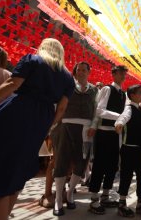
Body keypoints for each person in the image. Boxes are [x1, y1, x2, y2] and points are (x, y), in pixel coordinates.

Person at [0, 38, 75, 220]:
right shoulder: (68, 78)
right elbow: (61, 108)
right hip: (41, 120)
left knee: (0, 168)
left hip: (17, 111)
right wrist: (47, 127)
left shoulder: (32, 60)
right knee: (16, 170)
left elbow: (12, 84)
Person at [52, 62, 98, 216]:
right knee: (61, 162)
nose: (81, 72)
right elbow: (58, 105)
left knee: (81, 164)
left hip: (86, 131)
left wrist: (94, 126)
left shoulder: (94, 90)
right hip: (66, 127)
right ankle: (58, 199)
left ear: (89, 72)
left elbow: (97, 111)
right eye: (78, 70)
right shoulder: (68, 85)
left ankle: (70, 193)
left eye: (84, 70)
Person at [88, 65, 128, 215]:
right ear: (114, 74)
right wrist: (117, 116)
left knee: (112, 165)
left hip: (115, 134)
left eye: (124, 73)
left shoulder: (123, 94)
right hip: (104, 132)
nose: (123, 75)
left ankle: (105, 195)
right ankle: (93, 199)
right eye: (121, 72)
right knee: (99, 164)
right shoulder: (107, 89)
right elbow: (99, 110)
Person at [114, 85, 141, 217]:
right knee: (126, 176)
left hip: (139, 149)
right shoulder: (129, 108)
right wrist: (119, 123)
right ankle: (121, 203)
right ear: (132, 95)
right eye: (140, 93)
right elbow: (123, 117)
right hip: (128, 148)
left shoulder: (139, 109)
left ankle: (140, 202)